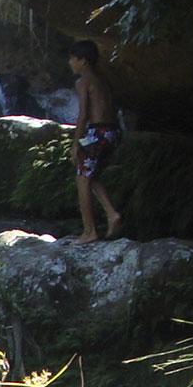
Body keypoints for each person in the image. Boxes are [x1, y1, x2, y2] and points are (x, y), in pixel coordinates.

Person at [67, 39, 124, 243]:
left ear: (82, 60)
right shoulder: (102, 79)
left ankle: (89, 231)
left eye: (72, 59)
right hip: (113, 132)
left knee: (82, 178)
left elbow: (83, 115)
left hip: (97, 132)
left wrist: (76, 143)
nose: (70, 63)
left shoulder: (83, 81)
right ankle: (111, 214)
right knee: (92, 174)